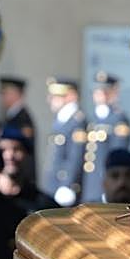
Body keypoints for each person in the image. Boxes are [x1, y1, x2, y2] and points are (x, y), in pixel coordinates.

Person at [80, 73, 130, 204]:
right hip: (90, 184)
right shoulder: (93, 119)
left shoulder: (118, 119)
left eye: (105, 92)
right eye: (97, 91)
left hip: (105, 182)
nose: (100, 95)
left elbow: (118, 155)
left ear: (113, 93)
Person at [43, 77, 87, 207]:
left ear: (71, 96)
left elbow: (75, 156)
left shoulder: (76, 121)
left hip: (64, 186)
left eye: (56, 96)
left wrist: (67, 184)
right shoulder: (62, 119)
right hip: (54, 184)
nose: (51, 100)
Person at [0, 125, 57, 212]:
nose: (9, 156)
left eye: (16, 149)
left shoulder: (41, 203)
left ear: (26, 154)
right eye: (3, 150)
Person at [0, 75, 35, 157]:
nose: (2, 97)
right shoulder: (11, 115)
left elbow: (25, 137)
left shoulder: (23, 116)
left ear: (16, 94)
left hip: (22, 167)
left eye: (5, 93)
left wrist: (1, 133)